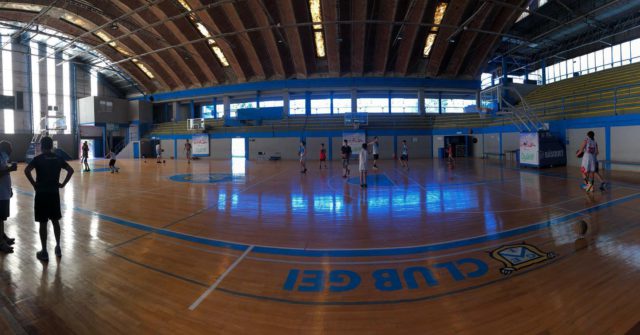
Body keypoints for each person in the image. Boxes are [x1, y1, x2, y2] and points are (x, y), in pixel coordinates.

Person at [24, 137, 74, 261]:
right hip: (53, 194)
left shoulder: (38, 159)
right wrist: (63, 184)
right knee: (55, 221)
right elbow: (70, 170)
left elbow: (27, 170)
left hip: (41, 194)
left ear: (41, 146)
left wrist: (34, 184)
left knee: (43, 222)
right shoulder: (58, 158)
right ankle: (57, 247)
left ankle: (44, 251)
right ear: (52, 146)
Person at [0, 141, 17, 253]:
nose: (11, 150)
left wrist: (9, 189)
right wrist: (10, 169)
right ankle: (1, 243)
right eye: (10, 148)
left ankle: (2, 237)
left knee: (1, 218)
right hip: (0, 194)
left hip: (4, 192)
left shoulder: (3, 158)